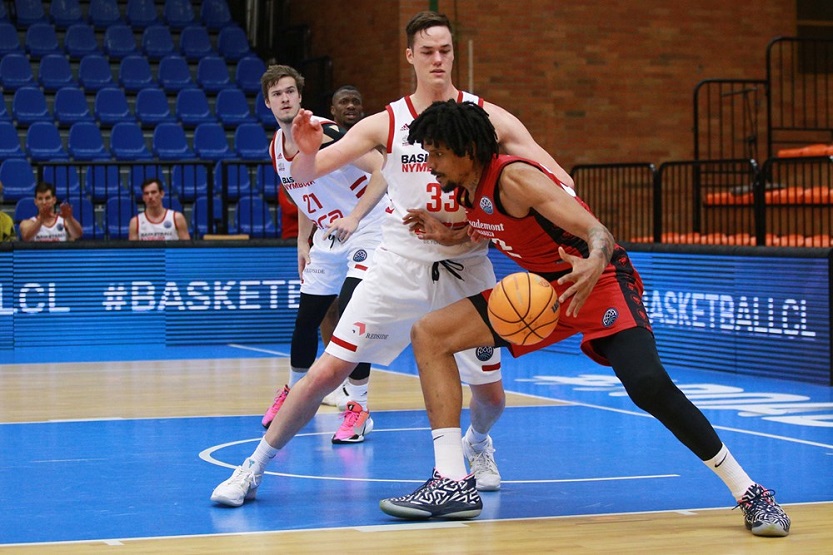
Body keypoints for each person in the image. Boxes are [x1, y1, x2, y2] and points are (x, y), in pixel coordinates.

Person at [378, 99, 791, 537]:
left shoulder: (516, 177)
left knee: (648, 386)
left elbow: (597, 232)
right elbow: (491, 224)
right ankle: (452, 482)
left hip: (598, 281)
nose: (430, 164)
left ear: (467, 149)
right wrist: (449, 230)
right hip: (542, 295)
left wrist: (595, 260)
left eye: (437, 153)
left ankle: (751, 493)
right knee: (430, 334)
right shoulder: (468, 189)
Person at [210, 10, 571, 507]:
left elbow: (547, 167)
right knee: (327, 371)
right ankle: (252, 469)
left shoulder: (487, 116)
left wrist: (569, 212)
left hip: (467, 266)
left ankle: (479, 443)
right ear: (410, 57)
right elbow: (313, 168)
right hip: (398, 262)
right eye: (427, 51)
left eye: (445, 50)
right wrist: (304, 150)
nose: (438, 59)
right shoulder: (390, 121)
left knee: (490, 396)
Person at [256, 65, 388, 442]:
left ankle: (358, 407)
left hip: (370, 223)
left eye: (289, 92)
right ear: (268, 103)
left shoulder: (325, 132)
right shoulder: (275, 148)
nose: (284, 98)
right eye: (276, 94)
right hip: (330, 233)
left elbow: (384, 169)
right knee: (307, 318)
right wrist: (303, 241)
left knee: (350, 312)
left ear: (299, 97)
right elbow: (303, 189)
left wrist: (356, 215)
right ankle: (297, 394)